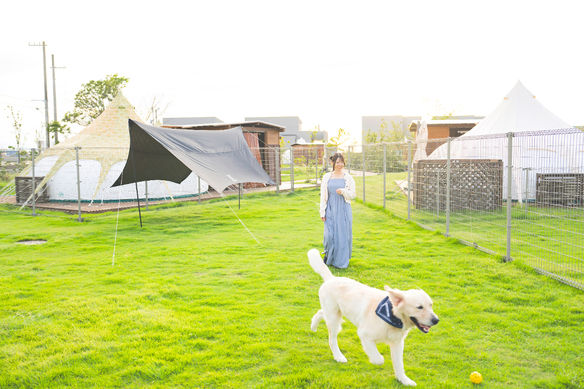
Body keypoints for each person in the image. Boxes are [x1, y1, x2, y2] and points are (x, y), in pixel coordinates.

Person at [319, 152, 356, 268]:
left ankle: (341, 261)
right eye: (337, 162)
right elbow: (323, 196)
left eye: (341, 162)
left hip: (343, 209)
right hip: (330, 208)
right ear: (333, 163)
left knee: (343, 235)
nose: (339, 165)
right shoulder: (327, 177)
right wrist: (322, 211)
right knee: (329, 235)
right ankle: (329, 255)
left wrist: (343, 191)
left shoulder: (348, 177)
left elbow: (353, 194)